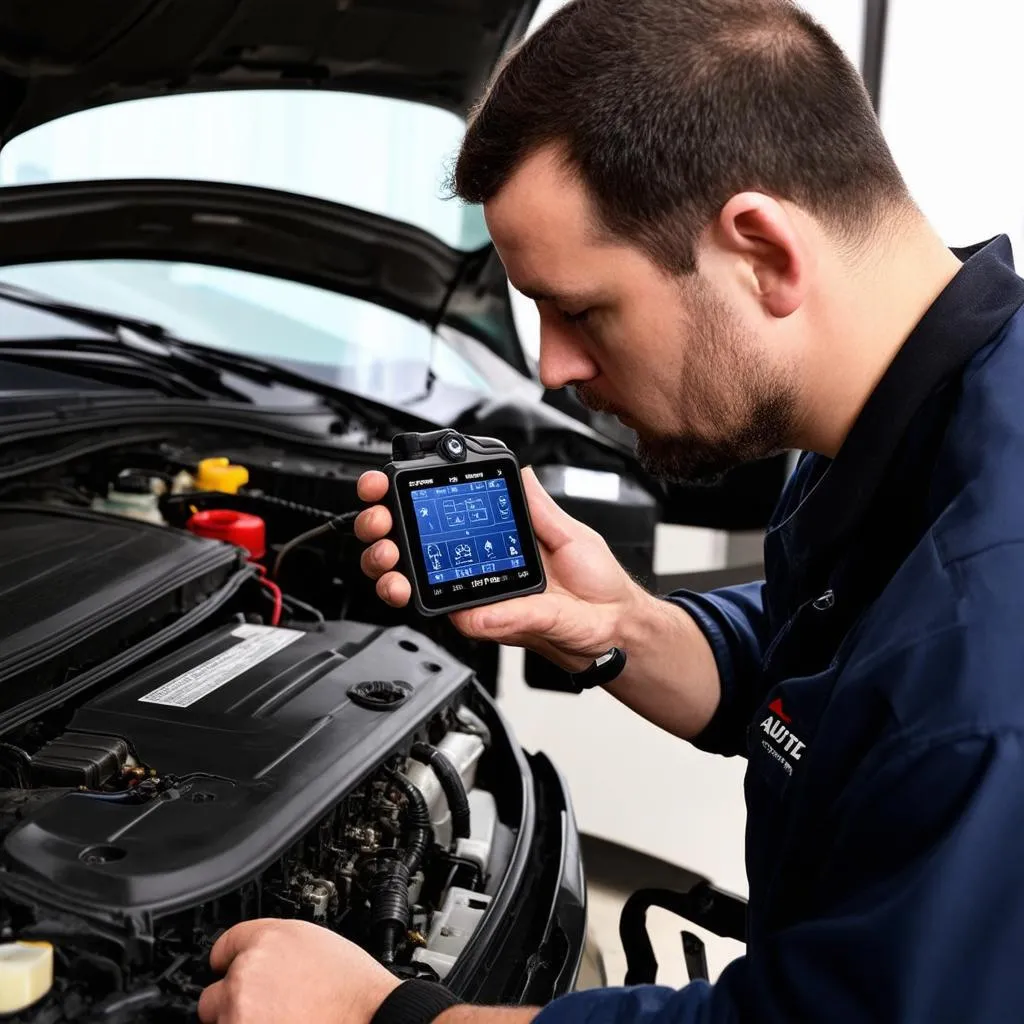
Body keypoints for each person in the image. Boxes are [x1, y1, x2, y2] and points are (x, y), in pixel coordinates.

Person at [197, 0, 1024, 1021]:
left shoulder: (987, 662)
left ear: (761, 251)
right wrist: (614, 625)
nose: (551, 368)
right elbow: (835, 662)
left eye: (581, 309)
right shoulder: (923, 419)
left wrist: (385, 1013)